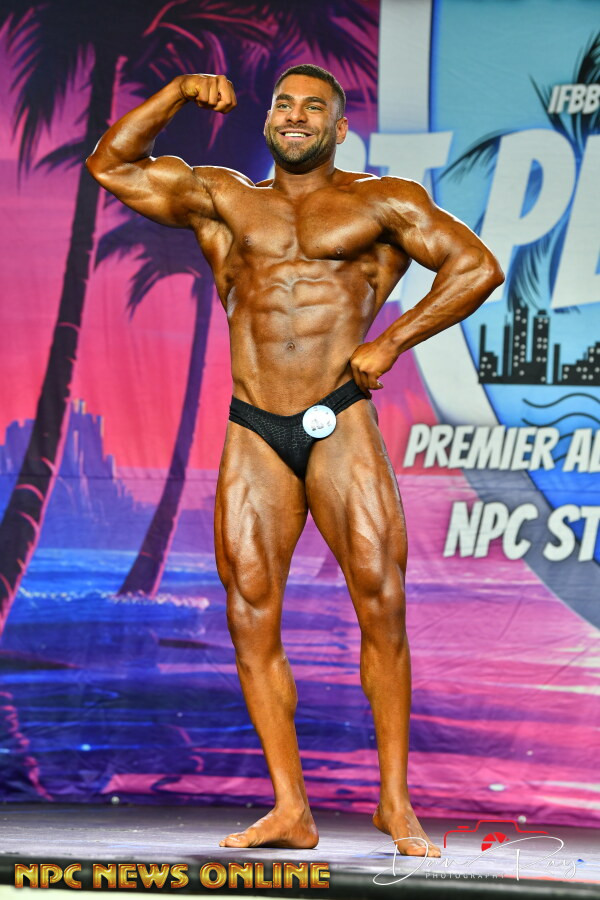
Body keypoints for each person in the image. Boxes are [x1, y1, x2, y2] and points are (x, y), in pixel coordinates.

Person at [86, 63, 504, 856]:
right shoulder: (223, 197)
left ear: (340, 129)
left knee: (381, 599)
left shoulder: (383, 202)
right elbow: (111, 164)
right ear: (269, 119)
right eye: (285, 103)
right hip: (254, 427)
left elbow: (476, 266)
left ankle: (394, 804)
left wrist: (391, 341)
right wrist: (178, 93)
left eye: (315, 107)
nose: (296, 115)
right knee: (250, 610)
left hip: (339, 416)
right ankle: (290, 809)